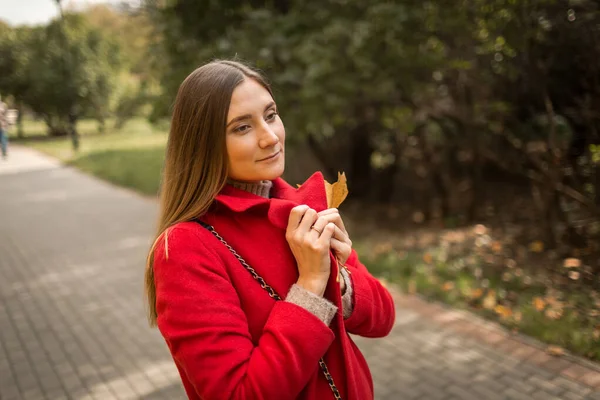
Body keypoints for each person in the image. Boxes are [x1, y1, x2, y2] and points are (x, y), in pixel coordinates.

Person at [145, 60, 396, 400]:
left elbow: (382, 319)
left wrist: (341, 272)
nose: (270, 137)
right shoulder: (185, 249)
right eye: (242, 128)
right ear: (203, 146)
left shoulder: (299, 208)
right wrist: (309, 287)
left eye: (271, 115)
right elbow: (239, 394)